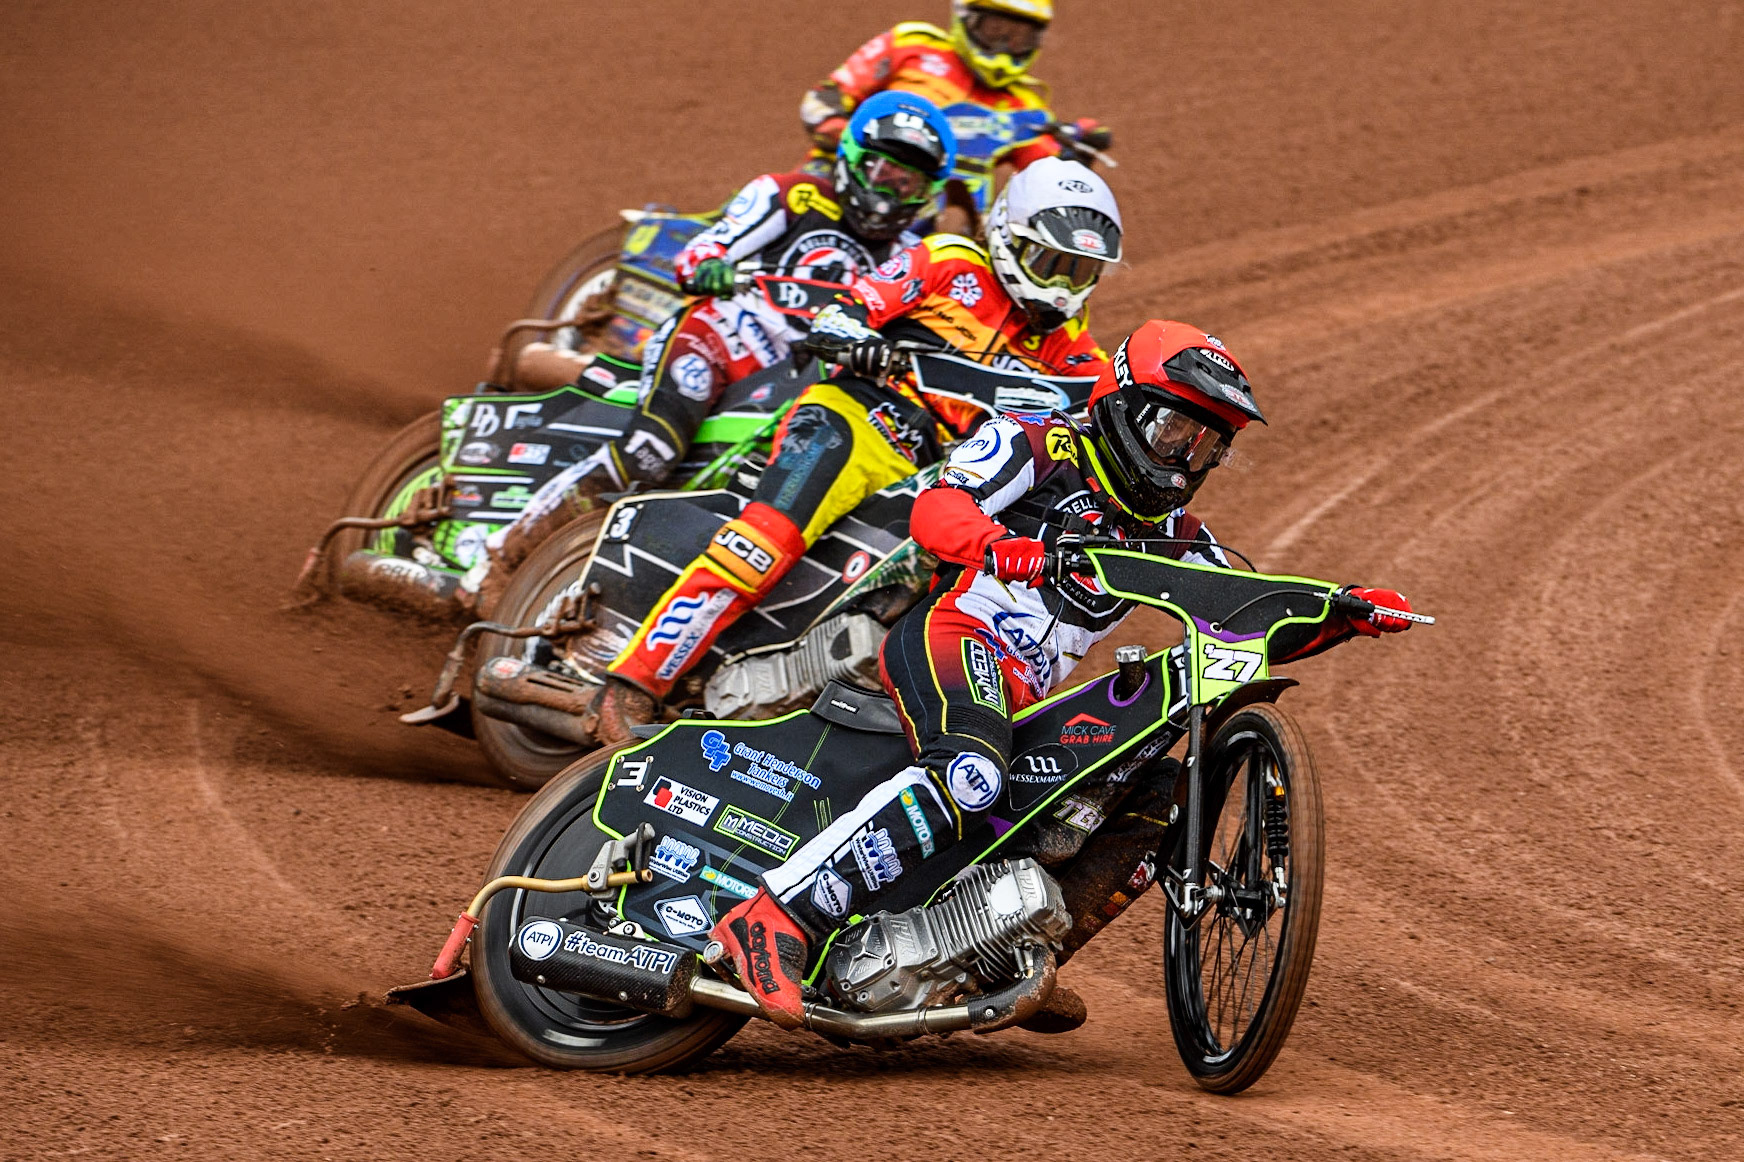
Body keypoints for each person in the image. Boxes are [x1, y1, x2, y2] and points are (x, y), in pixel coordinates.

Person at [709, 319, 1417, 1029]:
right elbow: (937, 510)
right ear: (1123, 403)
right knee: (971, 775)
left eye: (1208, 448)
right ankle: (773, 917)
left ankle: (1008, 962)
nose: (1185, 460)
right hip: (957, 634)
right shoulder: (1041, 443)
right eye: (1176, 432)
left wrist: (1345, 613)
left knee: (1152, 799)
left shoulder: (1178, 537)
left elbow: (1246, 621)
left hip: (1027, 695)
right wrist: (998, 545)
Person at [580, 156, 1124, 747]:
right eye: (1052, 263)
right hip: (856, 419)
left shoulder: (1074, 351)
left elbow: (1102, 421)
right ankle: (633, 682)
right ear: (1005, 235)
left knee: (979, 588)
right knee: (765, 541)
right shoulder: (947, 261)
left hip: (940, 469)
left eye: (1081, 271)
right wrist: (853, 333)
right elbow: (851, 305)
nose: (1062, 284)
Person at [459, 92, 957, 615]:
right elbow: (704, 248)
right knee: (651, 449)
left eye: (908, 183)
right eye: (882, 172)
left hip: (799, 382)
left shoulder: (908, 258)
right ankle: (499, 557)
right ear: (854, 159)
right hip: (717, 340)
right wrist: (711, 265)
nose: (889, 193)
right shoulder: (792, 196)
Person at [800, 1, 1106, 169]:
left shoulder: (1025, 105)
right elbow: (824, 99)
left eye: (1018, 38)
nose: (1004, 46)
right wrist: (843, 132)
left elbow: (1043, 173)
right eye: (995, 31)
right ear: (967, 19)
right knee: (795, 200)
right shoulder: (912, 45)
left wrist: (1075, 159)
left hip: (929, 217)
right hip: (849, 175)